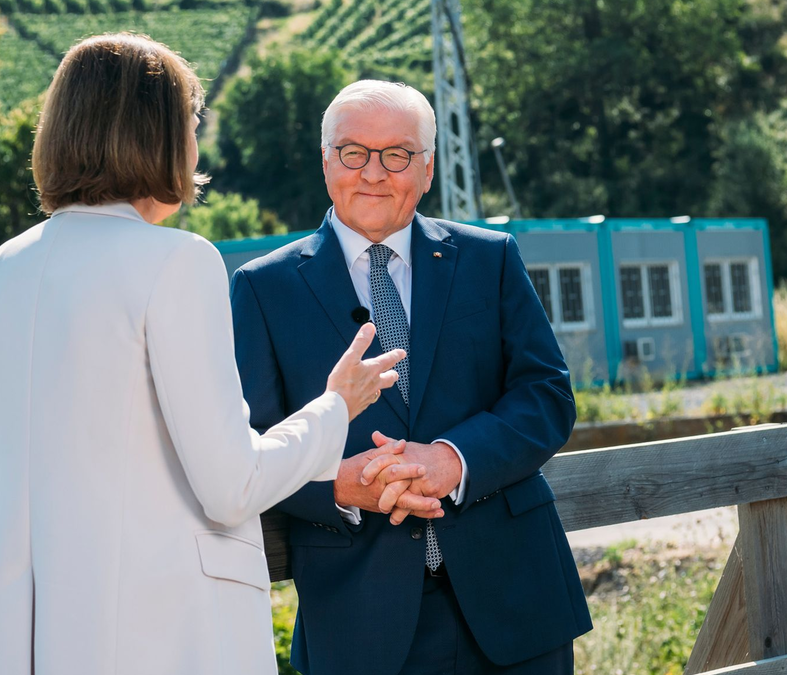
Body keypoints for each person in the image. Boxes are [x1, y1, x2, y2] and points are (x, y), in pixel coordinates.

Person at [0, 36, 413, 675]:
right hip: (164, 634)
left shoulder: (2, 268)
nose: (195, 150)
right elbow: (232, 485)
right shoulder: (179, 262)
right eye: (190, 128)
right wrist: (335, 407)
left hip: (28, 639)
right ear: (157, 137)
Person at [230, 80, 592, 675]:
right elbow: (251, 447)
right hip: (359, 622)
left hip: (516, 605)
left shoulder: (491, 258)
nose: (373, 172)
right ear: (326, 162)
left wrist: (452, 459)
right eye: (353, 152)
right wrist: (340, 485)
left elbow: (546, 396)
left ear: (426, 170)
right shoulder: (262, 288)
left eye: (396, 154)